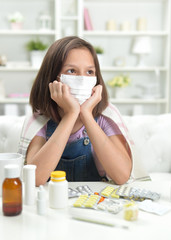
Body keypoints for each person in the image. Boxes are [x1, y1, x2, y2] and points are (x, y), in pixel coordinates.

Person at [18, 36, 149, 186]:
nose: (82, 79)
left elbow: (122, 176)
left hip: (94, 202)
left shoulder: (107, 116)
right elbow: (34, 179)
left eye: (89, 72)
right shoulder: (40, 120)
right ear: (53, 78)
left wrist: (86, 114)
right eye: (72, 71)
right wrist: (71, 115)